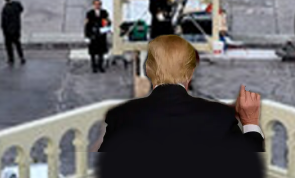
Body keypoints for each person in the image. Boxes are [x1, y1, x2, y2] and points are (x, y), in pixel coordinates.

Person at [96, 34, 264, 178]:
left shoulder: (119, 116)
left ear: (148, 70)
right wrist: (250, 123)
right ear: (190, 73)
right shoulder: (220, 117)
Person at [85, 0, 113, 73]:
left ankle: (100, 66)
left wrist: (107, 25)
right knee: (93, 53)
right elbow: (87, 25)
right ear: (93, 5)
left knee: (101, 52)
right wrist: (87, 36)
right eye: (96, 4)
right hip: (93, 35)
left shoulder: (104, 12)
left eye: (99, 4)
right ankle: (94, 66)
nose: (97, 6)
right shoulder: (89, 13)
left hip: (101, 35)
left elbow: (108, 22)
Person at [1, 0, 26, 65]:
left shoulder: (5, 8)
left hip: (8, 30)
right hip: (16, 28)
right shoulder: (17, 4)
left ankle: (11, 59)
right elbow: (21, 10)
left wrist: (3, 29)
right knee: (18, 43)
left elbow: (4, 21)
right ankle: (21, 57)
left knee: (9, 45)